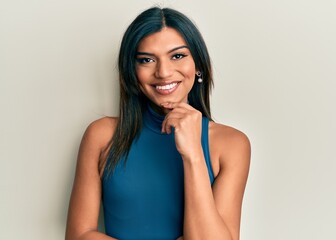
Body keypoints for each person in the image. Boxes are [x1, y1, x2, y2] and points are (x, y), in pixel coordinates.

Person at [65, 6, 250, 240]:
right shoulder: (102, 135)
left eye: (177, 56)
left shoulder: (232, 144)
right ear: (132, 71)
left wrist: (193, 154)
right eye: (147, 60)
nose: (163, 72)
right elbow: (78, 236)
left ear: (198, 65)